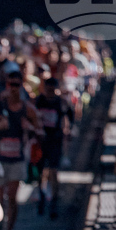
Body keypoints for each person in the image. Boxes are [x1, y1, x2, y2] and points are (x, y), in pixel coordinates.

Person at [0, 70, 43, 230]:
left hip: (17, 158)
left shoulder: (28, 109)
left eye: (17, 84)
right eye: (10, 84)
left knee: (12, 197)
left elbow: (41, 132)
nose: (13, 88)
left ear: (22, 86)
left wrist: (30, 127)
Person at [34, 76, 72, 219]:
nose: (50, 92)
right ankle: (42, 196)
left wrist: (68, 130)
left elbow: (70, 117)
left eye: (52, 90)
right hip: (41, 141)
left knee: (54, 171)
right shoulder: (39, 101)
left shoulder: (61, 102)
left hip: (55, 140)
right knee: (41, 172)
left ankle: (54, 200)